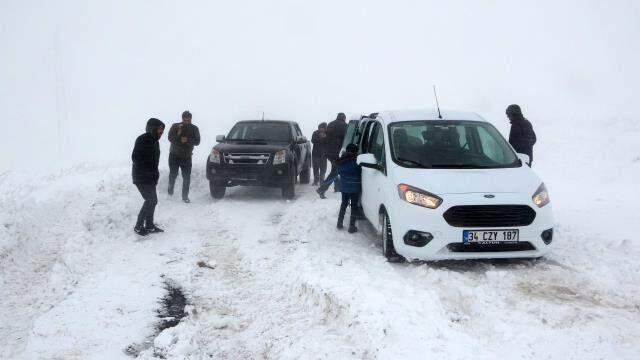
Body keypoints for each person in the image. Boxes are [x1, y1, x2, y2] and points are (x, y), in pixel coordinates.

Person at [132, 118, 166, 236]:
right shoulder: (142, 139)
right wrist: (147, 171)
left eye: (162, 130)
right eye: (159, 130)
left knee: (153, 201)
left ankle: (150, 225)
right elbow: (135, 158)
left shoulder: (155, 142)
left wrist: (155, 174)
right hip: (141, 176)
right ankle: (138, 225)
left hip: (150, 177)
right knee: (150, 200)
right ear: (153, 128)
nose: (161, 132)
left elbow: (154, 161)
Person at [167, 110, 201, 203]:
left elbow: (197, 141)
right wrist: (178, 135)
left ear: (191, 119)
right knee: (173, 175)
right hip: (174, 155)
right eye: (185, 119)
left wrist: (187, 140)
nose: (186, 121)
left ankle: (185, 196)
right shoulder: (175, 126)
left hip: (186, 157)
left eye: (188, 119)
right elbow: (170, 138)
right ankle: (170, 192)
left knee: (186, 177)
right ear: (182, 118)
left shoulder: (194, 128)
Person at [316, 113, 348, 197]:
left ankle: (337, 187)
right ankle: (321, 189)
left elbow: (325, 137)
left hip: (328, 152)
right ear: (344, 118)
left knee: (335, 169)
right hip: (336, 152)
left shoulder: (330, 124)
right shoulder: (344, 126)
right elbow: (347, 138)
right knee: (335, 171)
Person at [333, 144, 361, 233]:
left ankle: (339, 223)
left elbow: (339, 172)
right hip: (355, 187)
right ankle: (352, 226)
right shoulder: (357, 161)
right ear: (355, 151)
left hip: (344, 187)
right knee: (354, 206)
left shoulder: (342, 160)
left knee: (344, 204)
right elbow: (360, 172)